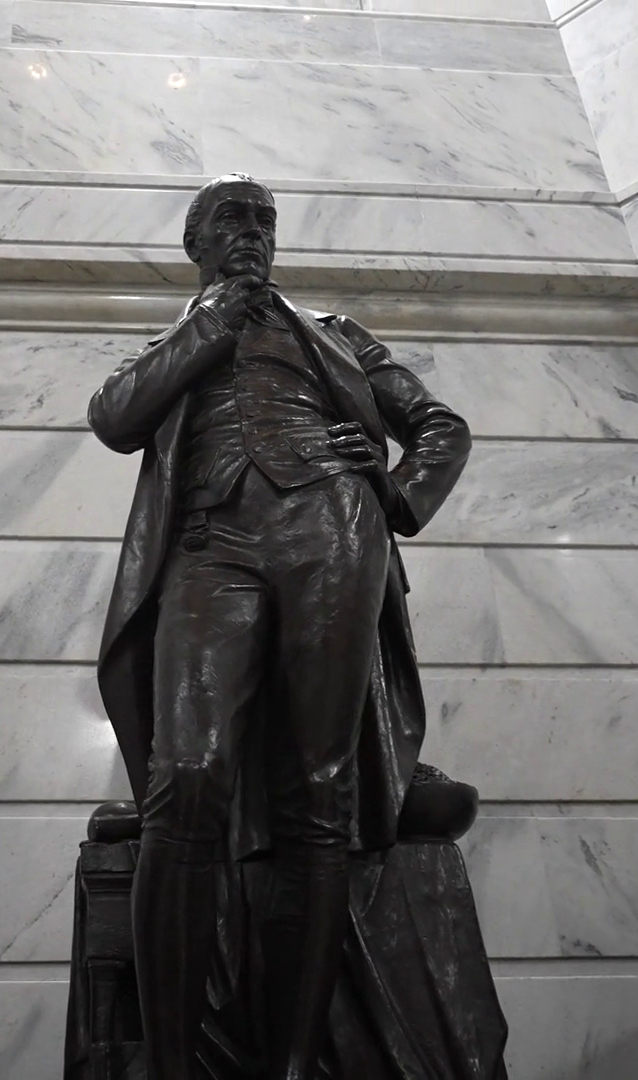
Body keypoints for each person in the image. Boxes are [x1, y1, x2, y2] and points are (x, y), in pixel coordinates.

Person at [89, 173, 470, 1080]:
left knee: (320, 789)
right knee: (186, 776)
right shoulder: (176, 339)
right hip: (210, 543)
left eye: (266, 219)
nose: (255, 231)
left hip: (331, 531)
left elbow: (440, 426)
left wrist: (396, 492)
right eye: (234, 217)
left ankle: (295, 1063)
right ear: (196, 242)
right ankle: (174, 1065)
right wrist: (215, 320)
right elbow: (115, 418)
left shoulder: (336, 333)